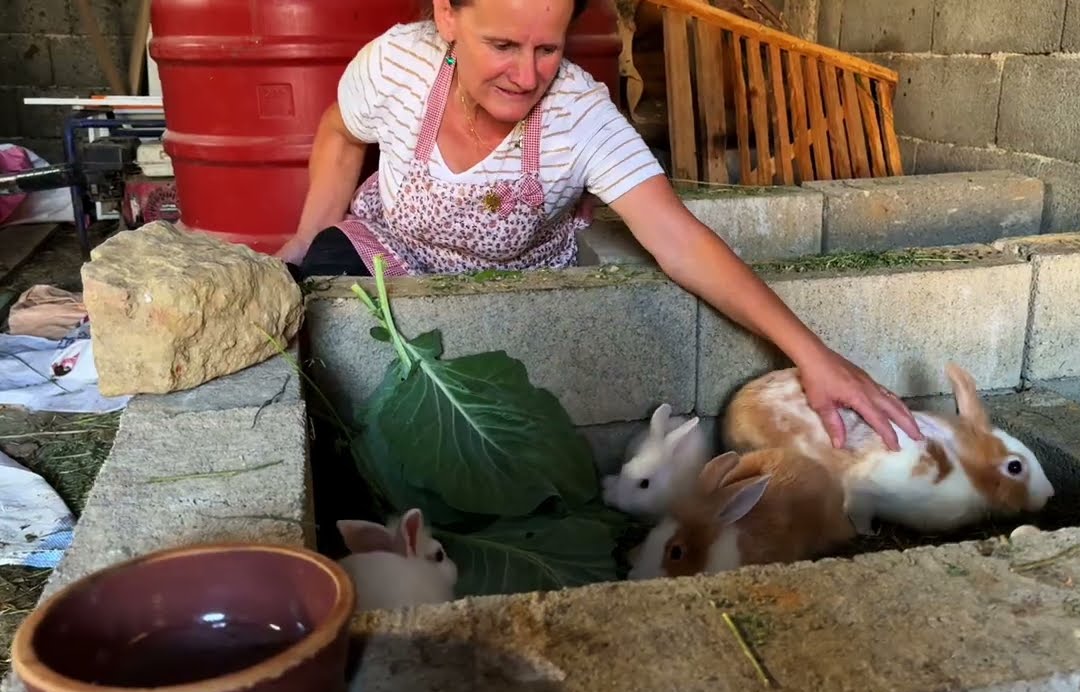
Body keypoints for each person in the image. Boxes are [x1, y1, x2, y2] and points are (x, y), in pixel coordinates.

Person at [274, 0, 923, 450]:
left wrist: (812, 355)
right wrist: (307, 241)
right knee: (311, 348)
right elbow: (339, 131)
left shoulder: (580, 115)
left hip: (507, 293)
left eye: (546, 48)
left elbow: (678, 238)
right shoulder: (396, 67)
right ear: (447, 14)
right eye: (501, 45)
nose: (525, 76)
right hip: (389, 250)